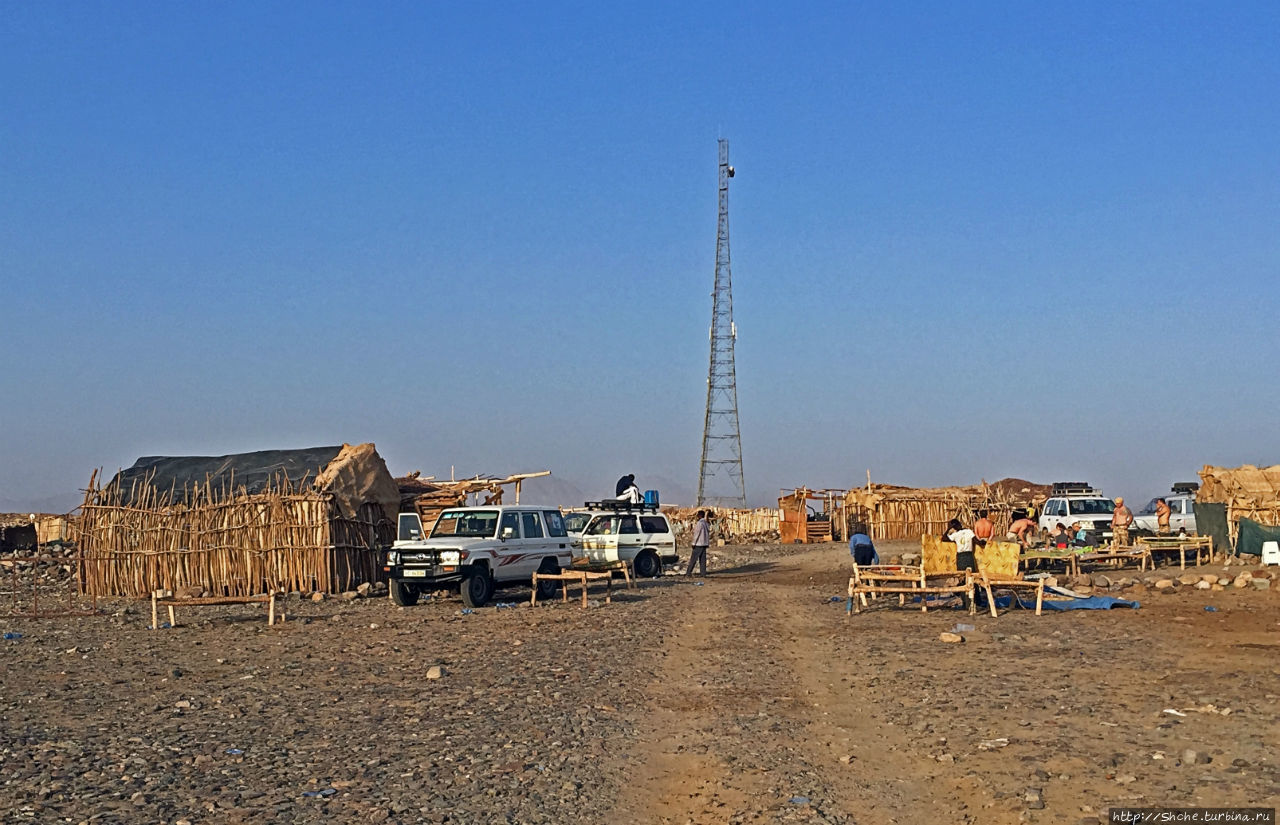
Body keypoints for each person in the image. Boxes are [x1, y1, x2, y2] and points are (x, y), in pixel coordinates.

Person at [686, 510, 710, 577]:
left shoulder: (699, 523)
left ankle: (688, 573)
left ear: (700, 516)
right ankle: (703, 574)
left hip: (698, 544)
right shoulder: (706, 523)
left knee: (693, 559)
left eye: (698, 515)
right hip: (704, 544)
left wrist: (693, 543)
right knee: (702, 560)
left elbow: (697, 534)